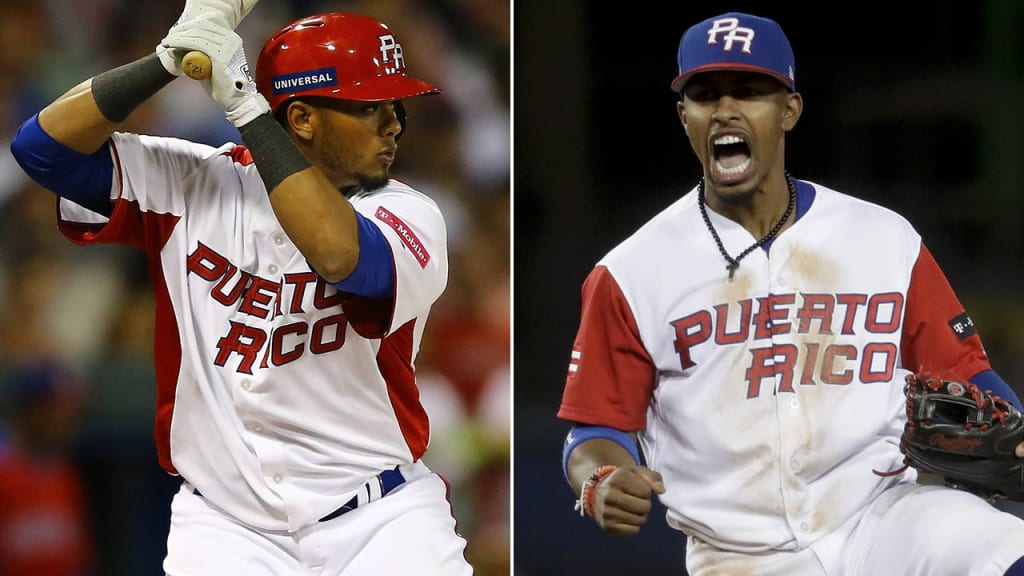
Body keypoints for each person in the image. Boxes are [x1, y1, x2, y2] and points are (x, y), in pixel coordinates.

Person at [10, 2, 473, 574]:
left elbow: (338, 255)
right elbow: (41, 149)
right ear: (302, 119)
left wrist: (247, 107)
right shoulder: (190, 180)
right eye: (370, 106)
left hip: (380, 521)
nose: (395, 122)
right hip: (225, 528)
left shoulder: (409, 212)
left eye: (395, 105)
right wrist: (166, 60)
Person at [557, 11, 1024, 576]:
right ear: (685, 117)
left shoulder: (884, 238)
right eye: (705, 95)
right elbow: (594, 429)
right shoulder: (630, 272)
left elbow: (969, 375)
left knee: (997, 546)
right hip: (738, 556)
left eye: (751, 91)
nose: (726, 109)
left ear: (789, 110)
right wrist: (600, 481)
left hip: (884, 518)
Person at [0, 360, 94, 576]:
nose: (64, 420)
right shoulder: (5, 471)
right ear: (28, 411)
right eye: (53, 410)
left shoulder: (65, 474)